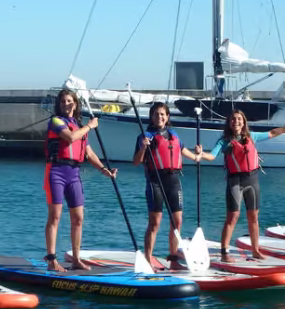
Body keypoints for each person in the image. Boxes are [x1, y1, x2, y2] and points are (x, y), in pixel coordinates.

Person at [198, 110, 285, 262]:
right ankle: (224, 253)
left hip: (252, 180)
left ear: (244, 122)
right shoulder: (224, 141)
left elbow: (273, 133)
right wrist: (201, 154)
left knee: (253, 217)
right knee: (232, 217)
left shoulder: (252, 137)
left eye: (239, 119)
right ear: (229, 123)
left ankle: (255, 251)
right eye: (233, 119)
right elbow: (212, 156)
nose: (236, 122)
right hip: (235, 182)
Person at [44, 89, 117, 272]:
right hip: (56, 171)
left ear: (75, 104)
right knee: (55, 216)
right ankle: (52, 260)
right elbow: (69, 138)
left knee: (78, 218)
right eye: (63, 101)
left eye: (69, 101)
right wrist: (90, 126)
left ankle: (76, 259)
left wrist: (103, 170)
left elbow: (88, 153)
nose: (66, 104)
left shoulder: (79, 125)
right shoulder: (56, 121)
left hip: (74, 173)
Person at [132, 102, 203, 270]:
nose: (160, 117)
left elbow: (181, 150)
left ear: (167, 116)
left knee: (177, 221)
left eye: (162, 114)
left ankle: (173, 260)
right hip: (155, 181)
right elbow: (136, 162)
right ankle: (148, 260)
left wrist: (197, 156)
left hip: (173, 180)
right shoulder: (145, 136)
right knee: (155, 222)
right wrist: (143, 148)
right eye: (156, 114)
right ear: (151, 117)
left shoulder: (173, 134)